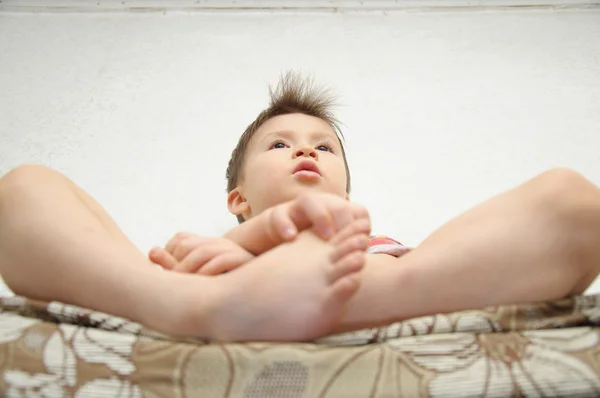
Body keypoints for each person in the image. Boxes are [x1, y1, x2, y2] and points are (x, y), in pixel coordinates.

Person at [1, 72, 599, 342]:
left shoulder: (370, 242)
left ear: (344, 189)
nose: (305, 150)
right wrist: (244, 243)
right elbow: (174, 258)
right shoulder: (211, 245)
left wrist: (317, 244)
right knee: (24, 187)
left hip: (379, 279)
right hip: (215, 288)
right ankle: (188, 306)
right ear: (237, 197)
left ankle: (226, 307)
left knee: (572, 199)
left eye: (323, 146)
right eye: (280, 144)